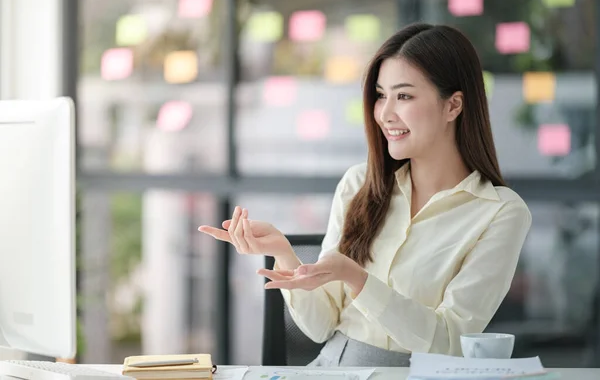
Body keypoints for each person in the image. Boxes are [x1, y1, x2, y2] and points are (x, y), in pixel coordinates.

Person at [198, 22, 532, 367]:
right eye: (380, 95)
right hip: (331, 369)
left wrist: (357, 279)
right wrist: (285, 254)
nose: (385, 113)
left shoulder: (500, 213)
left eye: (403, 96)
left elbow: (448, 341)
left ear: (453, 106)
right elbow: (319, 327)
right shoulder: (360, 183)